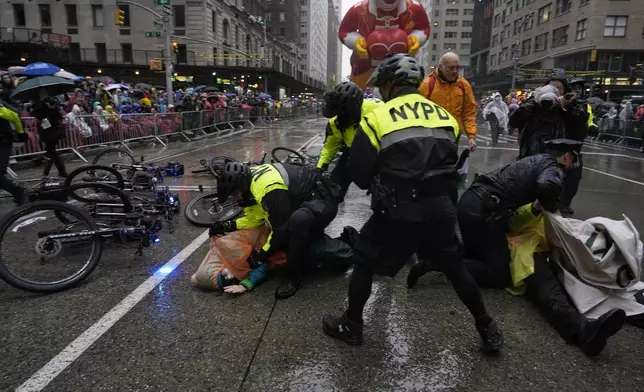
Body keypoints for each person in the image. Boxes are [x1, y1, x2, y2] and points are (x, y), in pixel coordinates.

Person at [321, 53, 503, 353]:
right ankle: (487, 327)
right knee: (455, 267)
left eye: (382, 86)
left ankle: (352, 324)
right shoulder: (444, 117)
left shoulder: (377, 118)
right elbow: (446, 162)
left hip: (396, 211)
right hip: (440, 209)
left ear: (391, 85)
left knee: (364, 261)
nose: (380, 92)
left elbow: (361, 176)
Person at [409, 139, 580, 290]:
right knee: (499, 274)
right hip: (484, 213)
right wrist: (551, 205)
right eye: (573, 158)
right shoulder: (551, 166)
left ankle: (439, 257)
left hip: (470, 204)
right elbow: (546, 186)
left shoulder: (534, 160)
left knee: (476, 257)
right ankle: (436, 263)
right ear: (566, 156)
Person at [211, 160, 338, 299]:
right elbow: (254, 218)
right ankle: (340, 244)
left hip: (324, 201)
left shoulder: (267, 187)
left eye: (235, 193)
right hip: (307, 200)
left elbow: (280, 229)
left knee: (296, 224)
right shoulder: (251, 185)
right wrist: (227, 225)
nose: (236, 197)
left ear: (241, 184)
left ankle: (294, 278)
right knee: (296, 243)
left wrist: (262, 255)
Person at [317, 81, 382, 201]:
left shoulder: (377, 109)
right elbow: (329, 148)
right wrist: (319, 168)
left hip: (378, 153)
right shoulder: (335, 123)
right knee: (332, 191)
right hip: (351, 152)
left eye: (341, 113)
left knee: (382, 192)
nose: (338, 117)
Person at [510, 69, 588, 160]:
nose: (554, 91)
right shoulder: (534, 103)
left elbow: (580, 130)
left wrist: (567, 107)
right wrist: (534, 103)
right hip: (530, 157)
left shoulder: (572, 104)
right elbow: (514, 122)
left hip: (558, 160)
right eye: (551, 87)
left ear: (565, 90)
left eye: (559, 88)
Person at [418, 52, 478, 151]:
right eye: (451, 68)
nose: (455, 71)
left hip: (454, 136)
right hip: (431, 138)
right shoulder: (427, 84)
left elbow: (469, 113)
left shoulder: (464, 85)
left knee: (450, 165)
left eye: (457, 67)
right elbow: (419, 112)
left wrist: (471, 137)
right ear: (441, 67)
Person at [557, 77, 595, 215]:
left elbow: (589, 119)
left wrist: (592, 127)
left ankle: (564, 204)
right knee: (555, 175)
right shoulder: (561, 102)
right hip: (560, 145)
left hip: (576, 147)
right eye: (574, 88)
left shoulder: (585, 105)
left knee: (574, 178)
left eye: (579, 88)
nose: (577, 91)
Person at [32, 88, 68, 177]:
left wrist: (52, 107)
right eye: (42, 92)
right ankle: (58, 172)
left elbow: (59, 116)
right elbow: (37, 115)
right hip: (46, 130)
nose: (44, 94)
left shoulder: (53, 101)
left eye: (45, 92)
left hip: (54, 130)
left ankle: (54, 172)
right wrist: (41, 105)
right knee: (51, 152)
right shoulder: (38, 103)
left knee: (51, 152)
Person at [0, 103, 27, 203]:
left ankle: (18, 192)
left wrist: (21, 133)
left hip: (3, 144)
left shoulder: (2, 111)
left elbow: (15, 116)